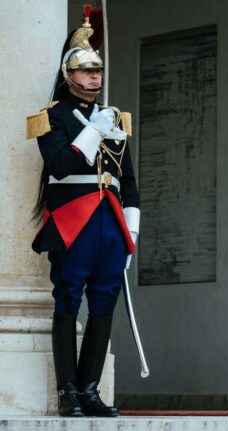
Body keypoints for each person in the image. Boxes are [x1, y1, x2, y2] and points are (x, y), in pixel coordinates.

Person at [26, 6, 138, 417]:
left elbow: (129, 181)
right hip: (73, 220)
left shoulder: (116, 119)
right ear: (68, 73)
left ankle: (90, 390)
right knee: (68, 299)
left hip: (110, 222)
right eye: (86, 70)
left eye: (98, 71)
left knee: (104, 302)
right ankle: (67, 393)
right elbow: (60, 165)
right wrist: (92, 131)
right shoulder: (49, 118)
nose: (95, 77)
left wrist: (133, 230)